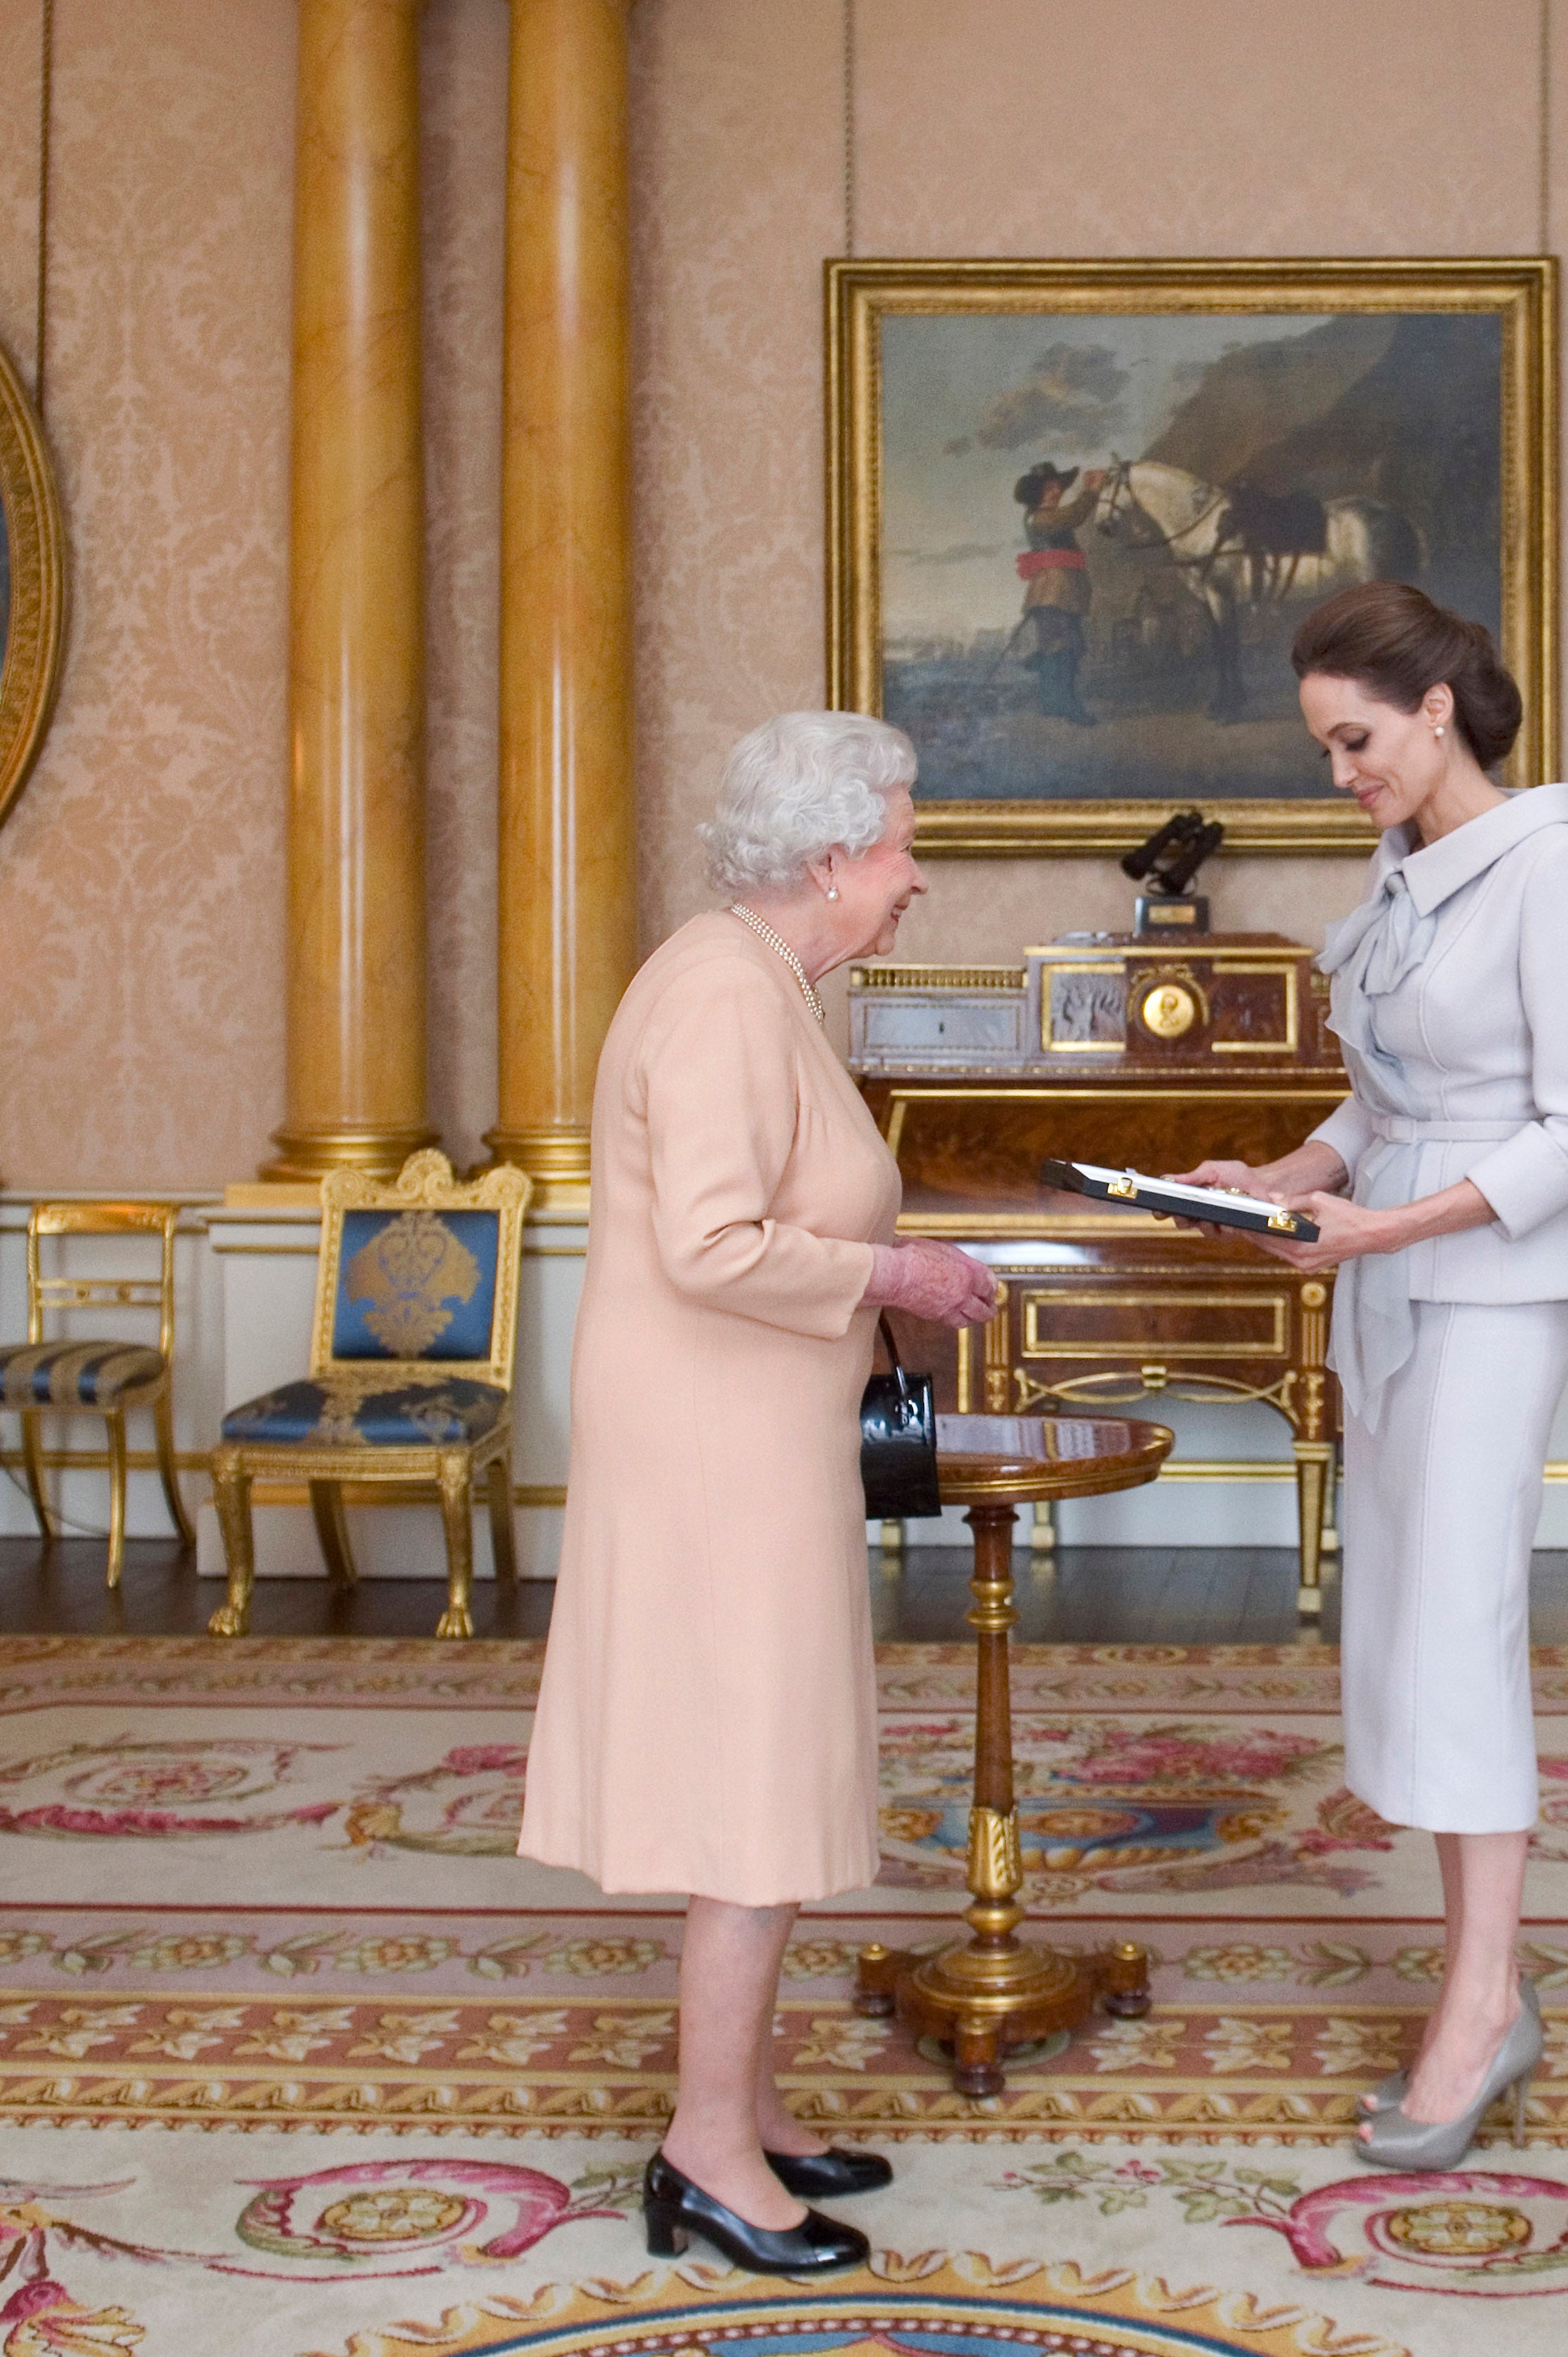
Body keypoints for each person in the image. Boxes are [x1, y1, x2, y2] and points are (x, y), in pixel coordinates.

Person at [520, 711, 1002, 2276]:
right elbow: (712, 1246)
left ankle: (744, 2104)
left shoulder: (761, 979)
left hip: (746, 1430)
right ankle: (708, 2155)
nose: (915, 873)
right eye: (902, 842)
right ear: (827, 858)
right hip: (712, 1450)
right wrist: (895, 1269)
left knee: (772, 1771)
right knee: (747, 1788)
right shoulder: (727, 993)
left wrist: (885, 1289)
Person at [1170, 580, 1568, 2169]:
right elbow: (1373, 1109)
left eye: (1352, 739)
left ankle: (1481, 2004)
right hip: (1390, 1275)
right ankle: (1479, 1984)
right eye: (1322, 748)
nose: (1338, 771)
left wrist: (1372, 1231)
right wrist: (1282, 1172)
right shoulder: (1397, 885)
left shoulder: (1553, 875)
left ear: (1435, 710)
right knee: (1408, 1633)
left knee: (1459, 1629)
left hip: (1494, 1291)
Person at [1011, 460, 1104, 724]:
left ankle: (1053, 703)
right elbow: (1074, 516)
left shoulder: (1042, 516)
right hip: (1054, 593)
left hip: (1060, 593)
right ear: (1036, 494)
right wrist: (1092, 490)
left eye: (1057, 487)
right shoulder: (1042, 518)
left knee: (1059, 648)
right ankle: (1070, 707)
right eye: (1048, 488)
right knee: (1065, 648)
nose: (1056, 493)